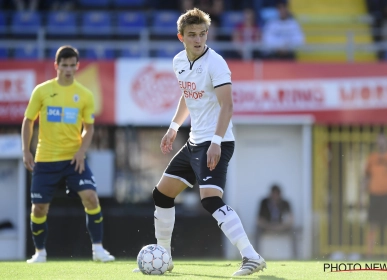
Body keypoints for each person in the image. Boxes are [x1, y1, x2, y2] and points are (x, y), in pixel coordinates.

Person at [133, 8, 266, 276]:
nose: (198, 39)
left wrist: (216, 142)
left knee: (210, 200)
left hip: (217, 141)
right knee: (162, 194)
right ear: (181, 36)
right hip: (194, 142)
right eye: (192, 34)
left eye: (202, 34)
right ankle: (164, 257)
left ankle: (251, 257)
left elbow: (227, 106)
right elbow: (188, 95)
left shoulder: (216, 62)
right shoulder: (179, 61)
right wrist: (173, 127)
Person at [21, 46, 115, 263]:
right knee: (39, 208)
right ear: (56, 66)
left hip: (74, 159)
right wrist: (26, 150)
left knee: (91, 198)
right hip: (45, 159)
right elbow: (28, 121)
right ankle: (40, 252)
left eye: (73, 65)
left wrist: (82, 151)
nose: (69, 69)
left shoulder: (84, 94)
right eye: (64, 65)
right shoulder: (42, 91)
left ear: (77, 66)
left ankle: (98, 250)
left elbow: (89, 127)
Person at [361, 133, 387, 257]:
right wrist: (362, 195)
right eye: (379, 141)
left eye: (383, 141)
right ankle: (369, 253)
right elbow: (366, 177)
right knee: (372, 224)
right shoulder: (371, 158)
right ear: (377, 143)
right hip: (374, 196)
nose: (381, 143)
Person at [255, 184, 296, 257]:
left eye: (277, 194)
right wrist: (269, 226)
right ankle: (256, 256)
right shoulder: (264, 202)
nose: (275, 196)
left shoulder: (285, 203)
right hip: (267, 227)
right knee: (257, 230)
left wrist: (280, 226)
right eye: (273, 194)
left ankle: (295, 256)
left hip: (281, 227)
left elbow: (291, 219)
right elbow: (259, 220)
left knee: (294, 231)